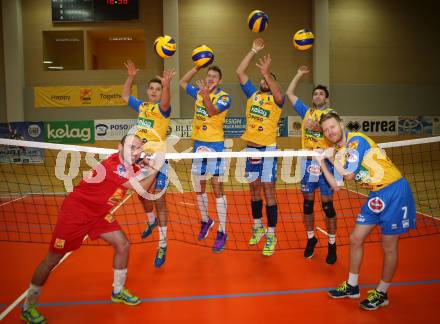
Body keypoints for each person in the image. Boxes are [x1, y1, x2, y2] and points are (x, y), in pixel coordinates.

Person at [20, 135, 165, 323]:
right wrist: (155, 167)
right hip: (76, 214)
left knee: (122, 245)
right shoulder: (115, 167)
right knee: (51, 260)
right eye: (130, 147)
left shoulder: (132, 165)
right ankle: (27, 306)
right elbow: (141, 189)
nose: (134, 151)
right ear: (119, 147)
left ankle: (118, 291)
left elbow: (146, 186)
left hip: (99, 214)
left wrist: (147, 166)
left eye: (137, 148)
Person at [317, 112, 416, 310]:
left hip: (394, 190)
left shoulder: (356, 141)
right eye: (326, 130)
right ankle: (352, 286)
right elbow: (337, 185)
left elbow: (350, 175)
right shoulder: (340, 150)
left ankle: (382, 292)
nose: (330, 132)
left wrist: (331, 158)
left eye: (332, 127)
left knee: (388, 246)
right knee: (355, 238)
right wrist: (322, 162)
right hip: (375, 195)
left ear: (342, 125)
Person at [122, 60, 175, 267]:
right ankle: (151, 221)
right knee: (141, 194)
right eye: (152, 88)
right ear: (147, 91)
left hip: (158, 159)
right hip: (140, 159)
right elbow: (125, 96)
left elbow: (166, 101)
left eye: (158, 89)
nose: (154, 92)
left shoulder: (163, 109)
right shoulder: (142, 107)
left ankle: (162, 244)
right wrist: (131, 76)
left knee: (160, 201)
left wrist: (168, 85)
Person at [236, 38, 284, 256]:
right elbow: (240, 72)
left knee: (269, 190)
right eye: (264, 79)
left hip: (268, 149)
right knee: (253, 190)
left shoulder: (276, 100)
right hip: (251, 149)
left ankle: (272, 234)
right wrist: (253, 50)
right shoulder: (252, 95)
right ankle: (258, 227)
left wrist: (267, 73)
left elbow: (279, 94)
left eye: (270, 79)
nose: (265, 81)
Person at [285, 66, 337, 264]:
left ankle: (332, 244)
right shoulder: (305, 111)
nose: (317, 96)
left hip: (326, 164)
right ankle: (311, 239)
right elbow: (289, 93)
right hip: (307, 163)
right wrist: (298, 74)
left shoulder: (332, 114)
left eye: (321, 93)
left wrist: (317, 127)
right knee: (307, 204)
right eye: (315, 93)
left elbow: (334, 135)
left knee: (327, 206)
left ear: (326, 98)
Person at [179, 63, 231, 252]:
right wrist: (196, 67)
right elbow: (182, 82)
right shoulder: (200, 93)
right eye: (208, 75)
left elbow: (211, 111)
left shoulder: (224, 97)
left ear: (220, 81)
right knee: (199, 186)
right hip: (198, 144)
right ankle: (205, 220)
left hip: (215, 145)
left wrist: (205, 94)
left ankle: (223, 231)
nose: (210, 79)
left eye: (214, 77)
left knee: (217, 187)